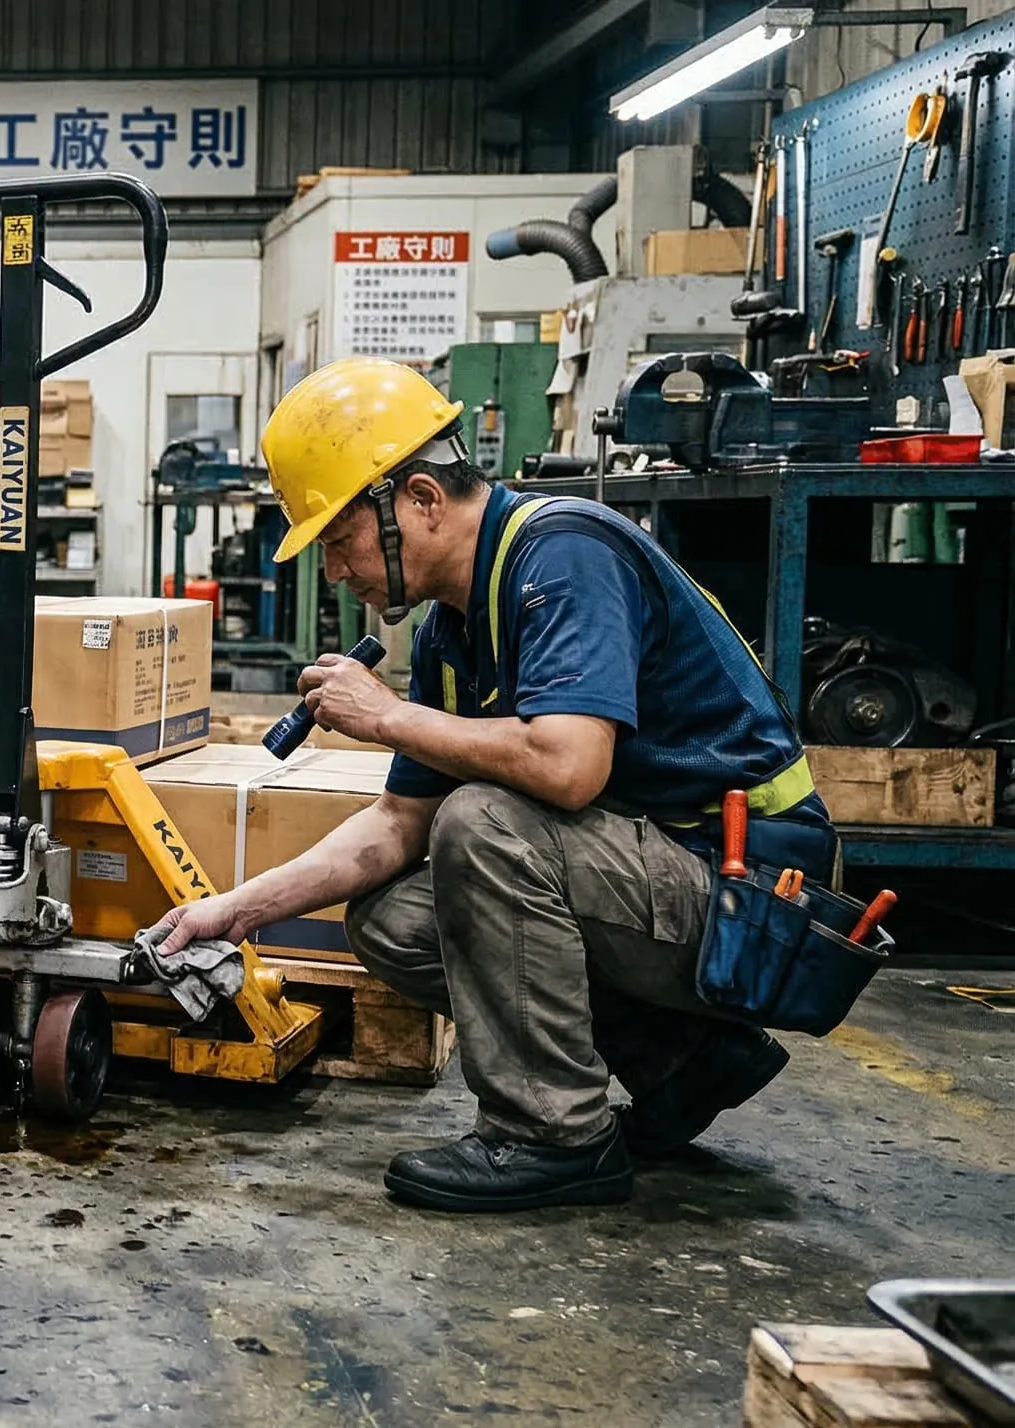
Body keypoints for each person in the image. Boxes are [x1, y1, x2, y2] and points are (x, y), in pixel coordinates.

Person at [157, 357, 834, 1213]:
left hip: (760, 894)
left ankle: (553, 1136)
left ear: (421, 502)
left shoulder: (564, 556)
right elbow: (397, 824)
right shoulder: (453, 629)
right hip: (671, 876)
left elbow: (568, 767)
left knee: (484, 823)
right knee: (397, 919)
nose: (335, 571)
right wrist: (232, 911)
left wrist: (389, 716)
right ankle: (686, 1058)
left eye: (340, 540)